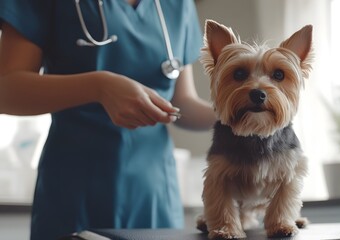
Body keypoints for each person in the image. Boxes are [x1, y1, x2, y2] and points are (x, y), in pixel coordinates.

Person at [0, 0, 216, 239]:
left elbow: (182, 102)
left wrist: (238, 113)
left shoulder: (177, 4)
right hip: (75, 188)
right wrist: (98, 87)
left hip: (154, 193)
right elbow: (6, 90)